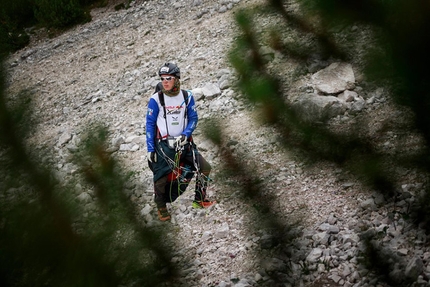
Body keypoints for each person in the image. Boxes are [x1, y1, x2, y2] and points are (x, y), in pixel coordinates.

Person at [146, 62, 216, 221]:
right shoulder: (155, 99)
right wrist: (150, 148)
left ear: (176, 78)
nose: (165, 81)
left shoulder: (187, 96)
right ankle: (161, 207)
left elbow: (193, 118)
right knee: (161, 176)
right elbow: (149, 124)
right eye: (162, 78)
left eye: (168, 78)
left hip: (184, 143)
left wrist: (186, 134)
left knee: (204, 167)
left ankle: (199, 199)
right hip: (163, 145)